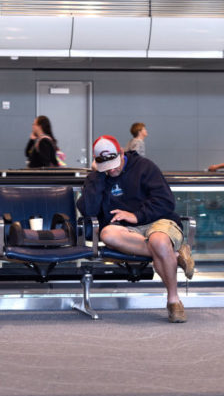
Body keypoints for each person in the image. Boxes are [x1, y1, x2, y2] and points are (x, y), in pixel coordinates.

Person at [77, 135, 194, 323]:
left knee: (158, 240)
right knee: (107, 233)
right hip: (126, 231)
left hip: (158, 221)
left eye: (114, 163)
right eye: (106, 167)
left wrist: (136, 216)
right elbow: (88, 210)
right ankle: (175, 255)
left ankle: (173, 300)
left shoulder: (144, 167)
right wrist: (97, 176)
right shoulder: (99, 176)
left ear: (121, 153)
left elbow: (166, 202)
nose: (112, 169)